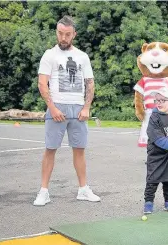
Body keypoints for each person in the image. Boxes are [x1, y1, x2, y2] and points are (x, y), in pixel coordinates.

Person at [33, 16, 100, 206]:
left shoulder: (82, 56)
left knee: (79, 151)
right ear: (57, 32)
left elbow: (90, 82)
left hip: (78, 109)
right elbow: (42, 83)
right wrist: (52, 108)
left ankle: (83, 190)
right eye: (60, 33)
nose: (63, 37)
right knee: (50, 150)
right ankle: (44, 191)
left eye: (67, 34)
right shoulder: (49, 55)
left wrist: (87, 107)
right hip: (57, 108)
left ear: (74, 35)